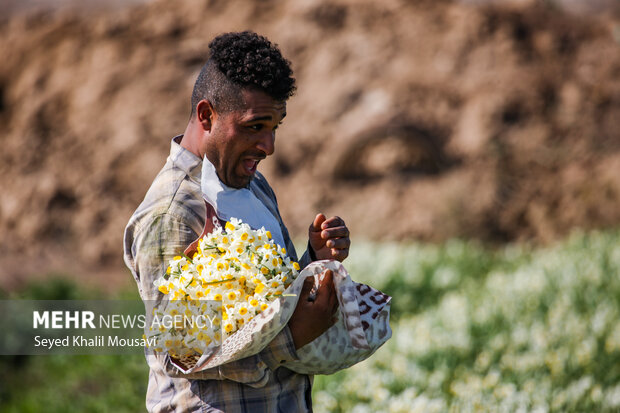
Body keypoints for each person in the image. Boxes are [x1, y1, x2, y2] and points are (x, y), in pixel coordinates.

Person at [123, 31, 351, 412]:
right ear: (206, 115)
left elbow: (267, 304)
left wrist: (313, 261)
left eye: (274, 127)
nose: (268, 146)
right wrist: (291, 339)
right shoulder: (173, 213)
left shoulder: (253, 185)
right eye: (254, 126)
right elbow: (174, 351)